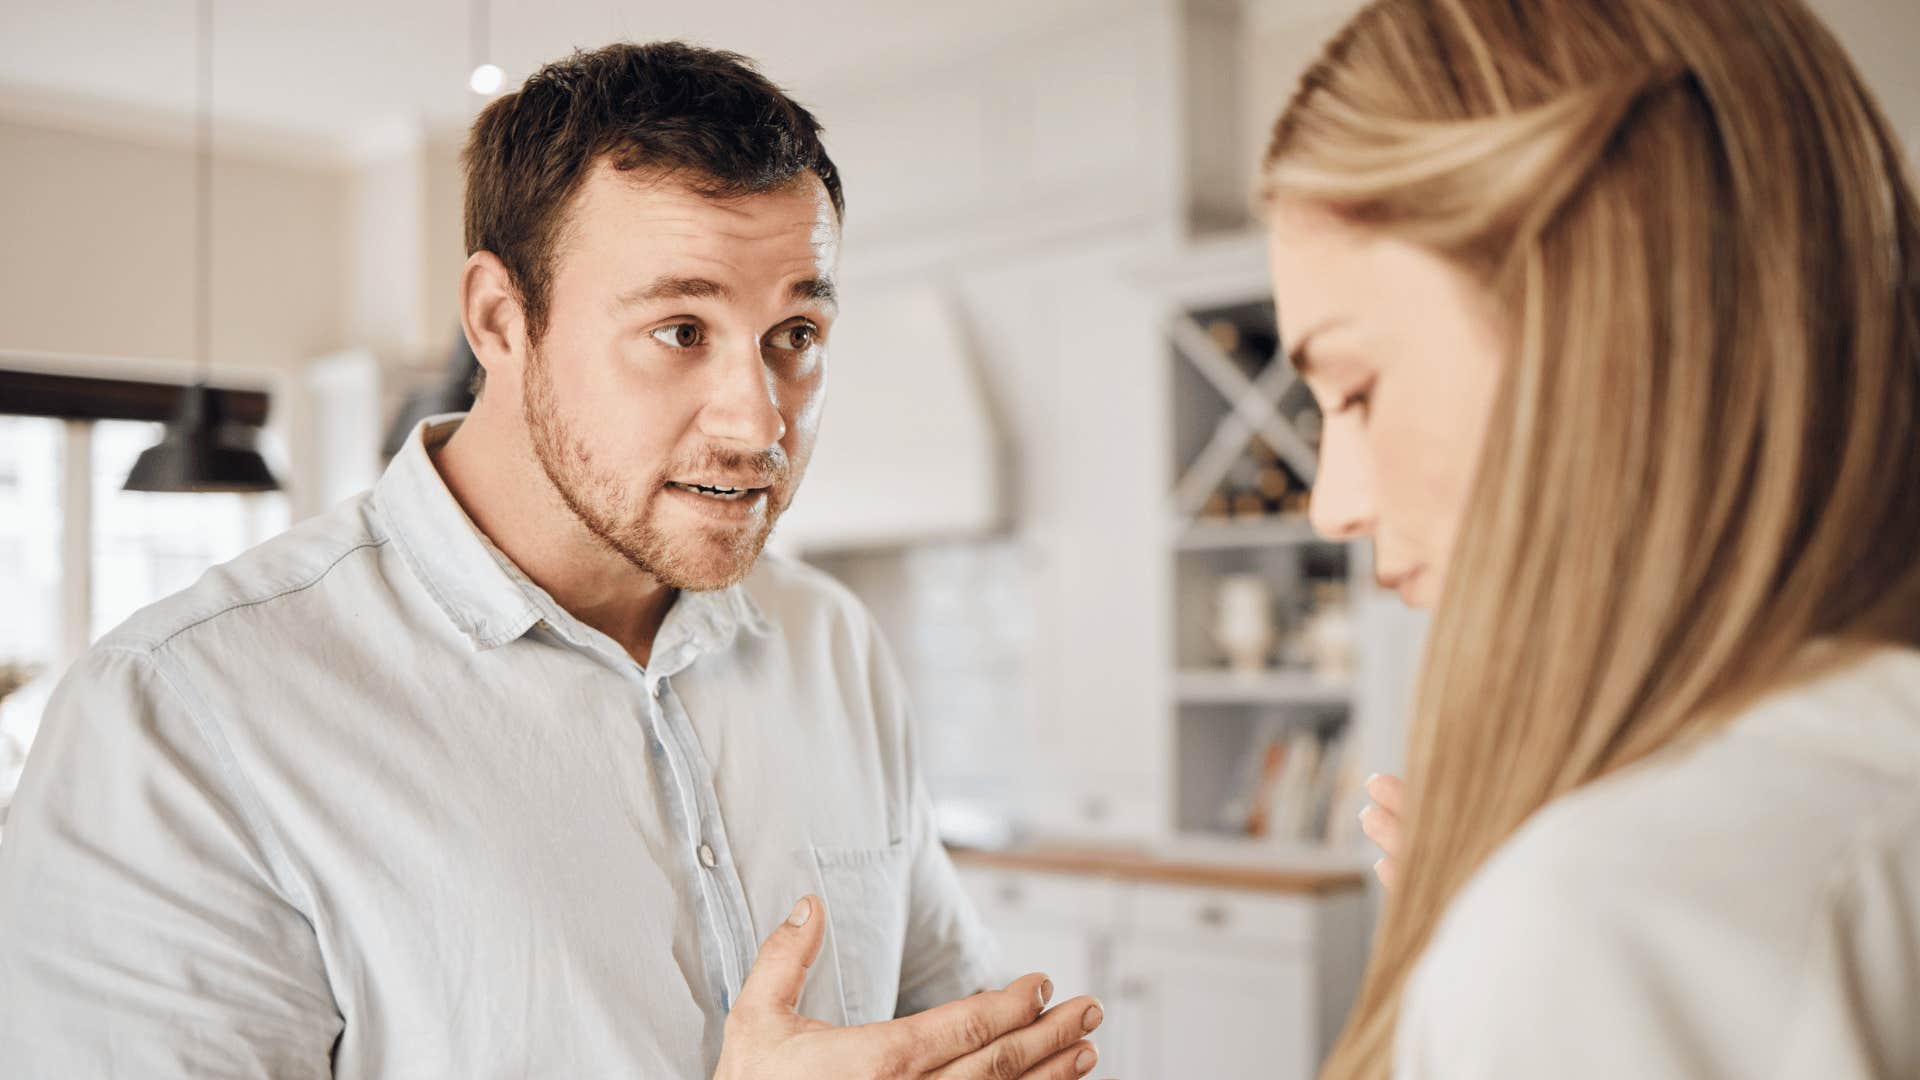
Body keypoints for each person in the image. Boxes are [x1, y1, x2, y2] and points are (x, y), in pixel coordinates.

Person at [0, 42, 1103, 1080]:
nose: (758, 421)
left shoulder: (831, 644)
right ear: (499, 317)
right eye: (681, 329)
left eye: (796, 336)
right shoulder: (179, 717)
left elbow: (937, 1014)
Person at [1260, 0, 1920, 1077]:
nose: (1333, 503)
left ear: (1590, 321)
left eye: (1357, 390)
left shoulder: (1608, 922)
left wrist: (1519, 944)